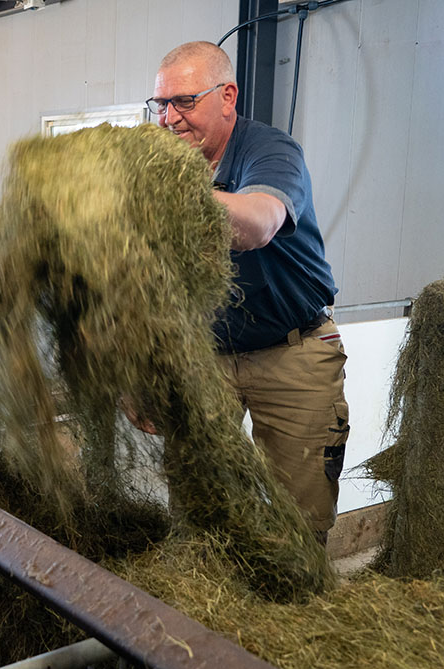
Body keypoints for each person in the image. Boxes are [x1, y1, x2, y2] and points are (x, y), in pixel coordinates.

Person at [144, 41, 349, 543]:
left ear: (228, 96)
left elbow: (257, 224)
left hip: (291, 351)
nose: (169, 119)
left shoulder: (270, 152)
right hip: (207, 355)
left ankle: (293, 613)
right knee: (196, 508)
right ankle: (200, 617)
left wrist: (168, 186)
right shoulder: (160, 164)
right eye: (160, 105)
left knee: (296, 521)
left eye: (185, 102)